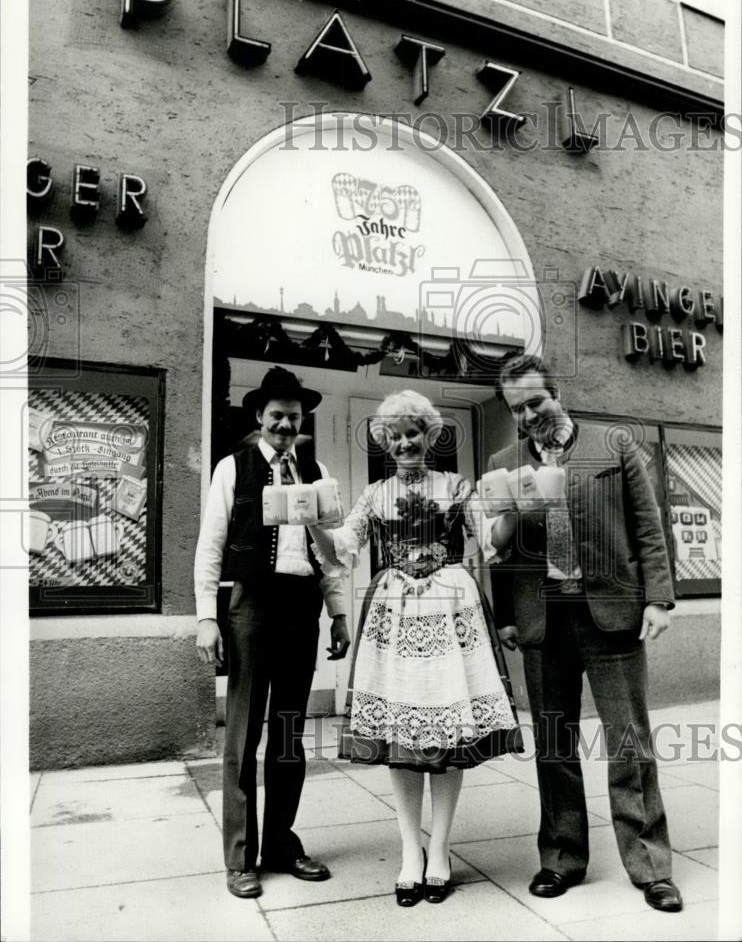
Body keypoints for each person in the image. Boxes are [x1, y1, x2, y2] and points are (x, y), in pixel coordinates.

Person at [486, 352, 683, 913]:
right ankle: (561, 858)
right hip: (542, 619)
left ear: (558, 395)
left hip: (611, 613)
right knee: (553, 746)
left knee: (629, 741)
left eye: (536, 402)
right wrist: (506, 615)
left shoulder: (614, 446)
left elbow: (649, 526)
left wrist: (658, 598)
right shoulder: (503, 463)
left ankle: (650, 866)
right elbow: (500, 550)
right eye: (517, 409)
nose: (529, 416)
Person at [310, 390, 521, 907]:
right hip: (396, 613)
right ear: (385, 442)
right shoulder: (374, 494)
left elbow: (491, 541)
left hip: (450, 609)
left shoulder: (457, 486)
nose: (405, 443)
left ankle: (441, 849)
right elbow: (340, 550)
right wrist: (310, 519)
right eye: (395, 436)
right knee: (398, 732)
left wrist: (514, 507)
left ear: (430, 437)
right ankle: (410, 850)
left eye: (413, 433)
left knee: (448, 732)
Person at [194, 366, 351, 900]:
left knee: (288, 732)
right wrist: (207, 617)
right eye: (277, 415)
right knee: (242, 735)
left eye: (294, 416)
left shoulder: (317, 471)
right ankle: (240, 857)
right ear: (259, 417)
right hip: (252, 607)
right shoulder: (232, 468)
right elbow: (210, 545)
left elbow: (332, 552)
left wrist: (338, 612)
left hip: (301, 607)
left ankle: (281, 843)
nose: (286, 424)